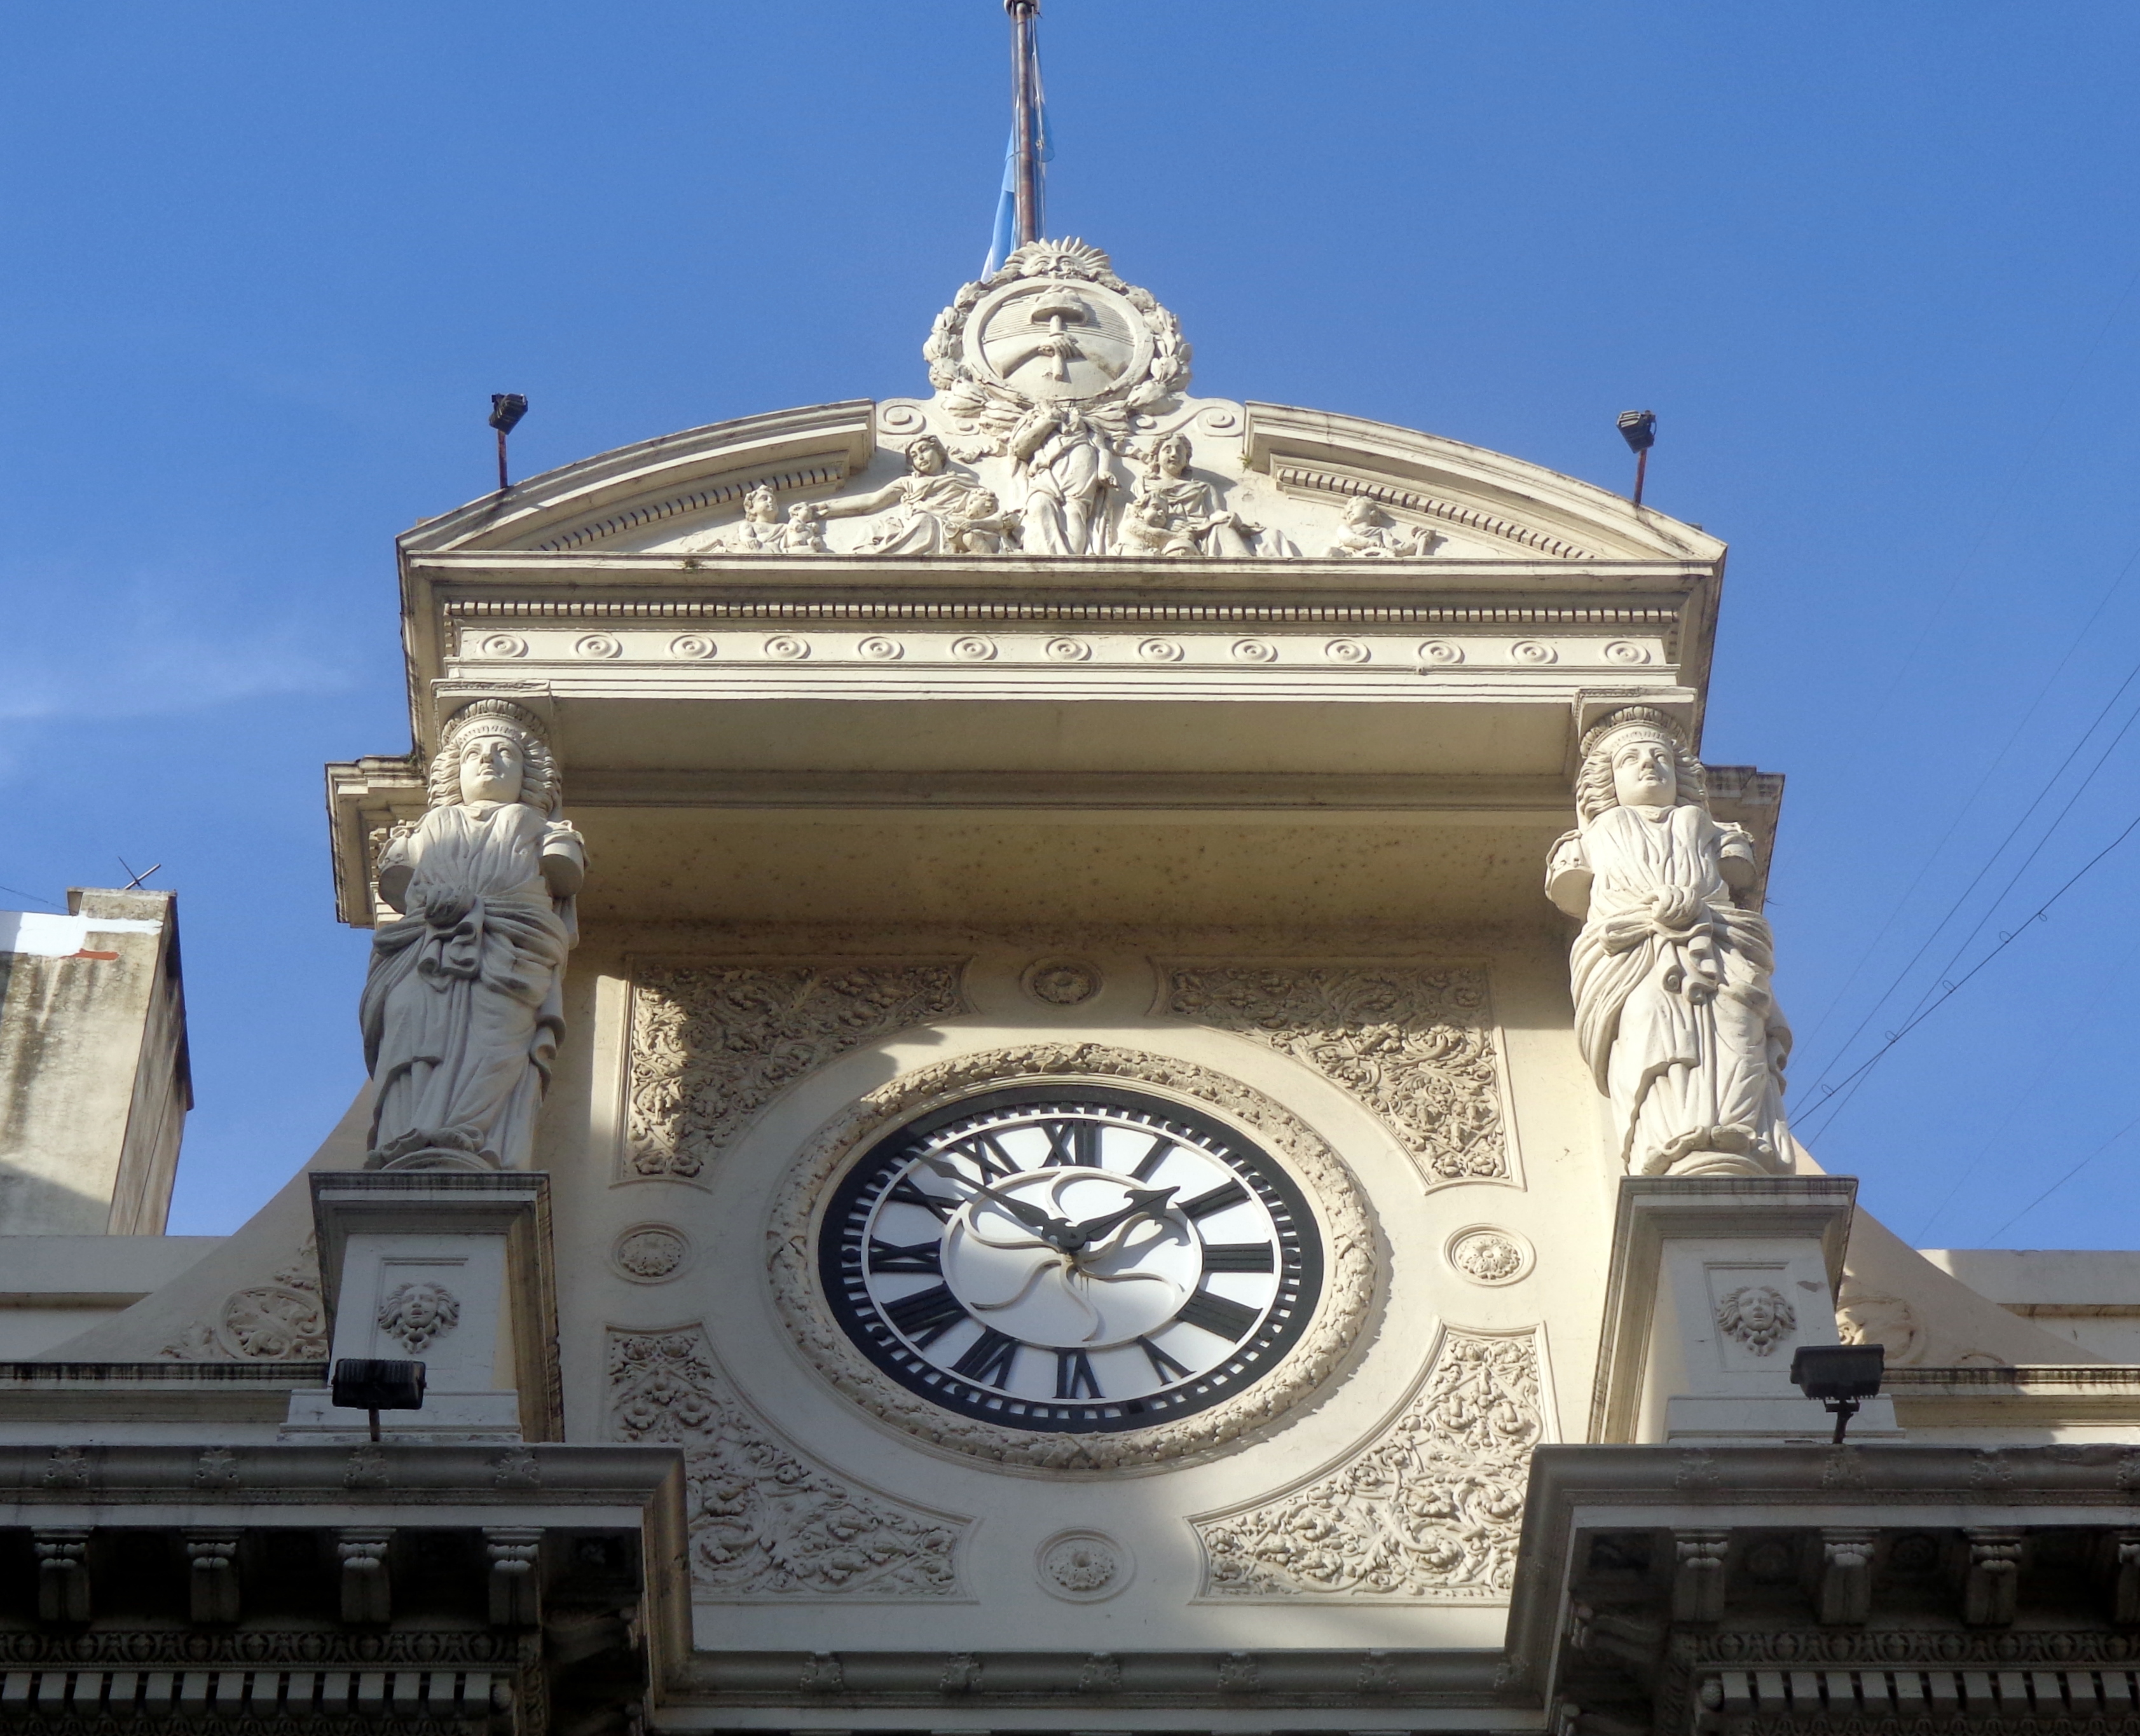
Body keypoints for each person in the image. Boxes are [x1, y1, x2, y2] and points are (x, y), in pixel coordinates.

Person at [1546, 707, 1792, 1177]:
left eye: (1660, 756)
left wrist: (1691, 904)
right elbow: (1571, 890)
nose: (1648, 765)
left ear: (1682, 774)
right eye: (1630, 759)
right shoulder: (1591, 837)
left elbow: (1737, 873)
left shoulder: (1706, 828)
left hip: (1713, 945)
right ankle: (1671, 1140)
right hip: (1635, 956)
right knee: (1648, 1018)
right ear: (1605, 781)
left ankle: (1733, 1136)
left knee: (1738, 1020)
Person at [361, 700, 584, 1170]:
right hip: (427, 951)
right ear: (452, 772)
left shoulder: (538, 826)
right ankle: (409, 1137)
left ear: (530, 775)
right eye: (472, 753)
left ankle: (472, 1140)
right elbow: (399, 881)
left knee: (499, 1039)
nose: (487, 760)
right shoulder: (429, 826)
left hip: (509, 949)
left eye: (504, 751)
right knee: (412, 1028)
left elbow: (564, 874)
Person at [814, 436, 1001, 556]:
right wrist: (827, 508)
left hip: (951, 526)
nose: (920, 457)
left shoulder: (964, 480)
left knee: (924, 519)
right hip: (921, 523)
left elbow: (982, 508)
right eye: (914, 456)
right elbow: (871, 502)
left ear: (939, 452)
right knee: (877, 527)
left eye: (924, 450)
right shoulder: (908, 482)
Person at [1118, 434, 1261, 558]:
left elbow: (1214, 514)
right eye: (1167, 450)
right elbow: (1136, 514)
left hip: (1198, 531)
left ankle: (1244, 569)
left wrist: (1228, 517)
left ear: (1186, 460)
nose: (1174, 454)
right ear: (1156, 457)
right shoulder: (1143, 484)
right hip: (1159, 534)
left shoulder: (1203, 488)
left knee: (1222, 527)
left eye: (1180, 451)